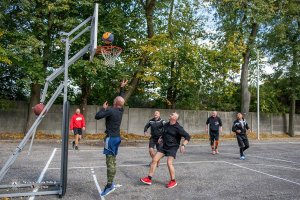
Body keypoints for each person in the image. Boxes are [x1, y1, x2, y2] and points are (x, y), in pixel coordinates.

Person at [94, 80, 128, 197]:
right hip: (117, 138)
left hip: (111, 139)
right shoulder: (120, 110)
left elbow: (97, 116)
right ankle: (111, 182)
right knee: (112, 161)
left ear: (114, 102)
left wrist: (103, 108)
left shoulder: (110, 110)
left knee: (110, 163)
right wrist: (122, 88)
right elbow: (121, 99)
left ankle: (109, 185)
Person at [140, 112, 190, 189]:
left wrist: (183, 145)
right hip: (164, 146)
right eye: (171, 114)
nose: (170, 114)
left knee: (169, 163)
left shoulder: (178, 128)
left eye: (172, 114)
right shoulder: (166, 124)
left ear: (175, 118)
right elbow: (164, 133)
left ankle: (173, 181)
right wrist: (161, 138)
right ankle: (149, 179)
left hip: (173, 147)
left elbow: (187, 136)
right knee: (154, 159)